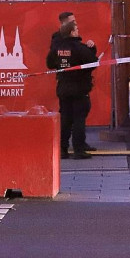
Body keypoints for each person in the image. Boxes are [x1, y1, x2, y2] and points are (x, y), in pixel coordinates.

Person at [47, 20, 98, 159]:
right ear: (71, 32)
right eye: (76, 29)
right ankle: (79, 150)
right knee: (79, 119)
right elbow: (93, 62)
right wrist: (92, 48)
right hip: (79, 88)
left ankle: (62, 149)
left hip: (63, 88)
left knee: (65, 119)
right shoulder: (79, 47)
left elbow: (49, 63)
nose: (78, 31)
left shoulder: (57, 48)